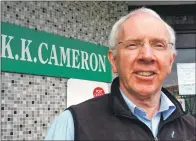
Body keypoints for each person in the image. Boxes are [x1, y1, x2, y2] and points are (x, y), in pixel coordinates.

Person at [45, 7, 196, 140]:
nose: (147, 55)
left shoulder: (191, 127)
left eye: (158, 45)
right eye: (132, 45)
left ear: (170, 61)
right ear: (113, 61)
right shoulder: (73, 125)